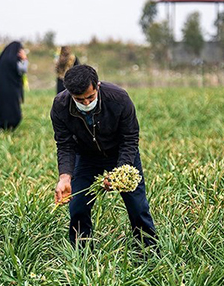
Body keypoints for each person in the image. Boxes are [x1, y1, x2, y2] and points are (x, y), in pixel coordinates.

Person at [50, 64, 156, 248]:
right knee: (78, 206)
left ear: (97, 85)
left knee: (137, 207)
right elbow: (65, 144)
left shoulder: (119, 98)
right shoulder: (60, 105)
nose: (85, 103)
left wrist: (120, 172)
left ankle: (149, 251)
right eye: (79, 99)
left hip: (120, 154)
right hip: (87, 157)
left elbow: (130, 138)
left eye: (90, 97)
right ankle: (81, 253)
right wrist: (65, 177)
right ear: (69, 93)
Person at [0, 41, 28, 132]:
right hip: (11, 91)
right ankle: (8, 127)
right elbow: (23, 70)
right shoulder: (12, 61)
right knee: (14, 112)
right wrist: (24, 59)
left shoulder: (3, 60)